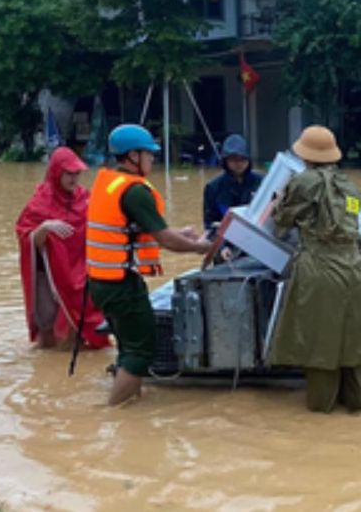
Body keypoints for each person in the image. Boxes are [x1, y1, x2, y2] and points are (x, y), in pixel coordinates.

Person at [86, 124, 213, 406]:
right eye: (149, 154)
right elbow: (165, 239)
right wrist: (199, 246)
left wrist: (183, 233)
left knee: (128, 347)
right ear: (133, 155)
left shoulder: (109, 182)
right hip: (121, 285)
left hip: (101, 280)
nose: (153, 159)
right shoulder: (135, 192)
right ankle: (113, 412)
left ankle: (131, 406)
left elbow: (138, 231)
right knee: (141, 352)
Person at [270, 125, 361, 413]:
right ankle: (356, 407)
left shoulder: (304, 182)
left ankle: (320, 416)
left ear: (306, 156)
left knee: (320, 347)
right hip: (354, 268)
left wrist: (278, 201)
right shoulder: (350, 186)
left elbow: (281, 221)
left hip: (321, 268)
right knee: (350, 346)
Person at [15, 147, 109, 350]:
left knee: (81, 319)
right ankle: (46, 366)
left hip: (78, 270)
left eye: (77, 174)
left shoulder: (86, 199)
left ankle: (71, 361)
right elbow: (27, 238)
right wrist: (45, 227)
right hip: (47, 273)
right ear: (57, 172)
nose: (74, 179)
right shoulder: (40, 202)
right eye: (69, 173)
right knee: (46, 326)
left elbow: (103, 227)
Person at [204, 133, 263, 230]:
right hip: (225, 236)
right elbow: (209, 223)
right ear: (225, 161)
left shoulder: (262, 182)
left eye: (243, 159)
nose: (239, 163)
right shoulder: (213, 187)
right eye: (234, 159)